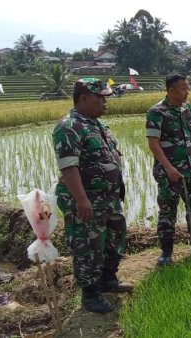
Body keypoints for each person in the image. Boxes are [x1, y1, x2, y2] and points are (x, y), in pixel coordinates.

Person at [52, 78, 132, 314]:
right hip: (87, 200)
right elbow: (69, 167)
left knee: (114, 238)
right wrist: (81, 200)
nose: (105, 102)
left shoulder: (98, 125)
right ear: (84, 98)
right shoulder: (69, 127)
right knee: (88, 246)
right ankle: (90, 294)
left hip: (108, 199)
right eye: (100, 98)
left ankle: (109, 280)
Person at [146, 73, 191, 266]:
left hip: (190, 168)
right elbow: (153, 143)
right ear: (171, 90)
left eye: (187, 87)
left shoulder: (187, 109)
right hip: (169, 173)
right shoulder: (157, 112)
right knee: (168, 211)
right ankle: (166, 253)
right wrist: (168, 168)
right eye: (183, 88)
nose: (187, 91)